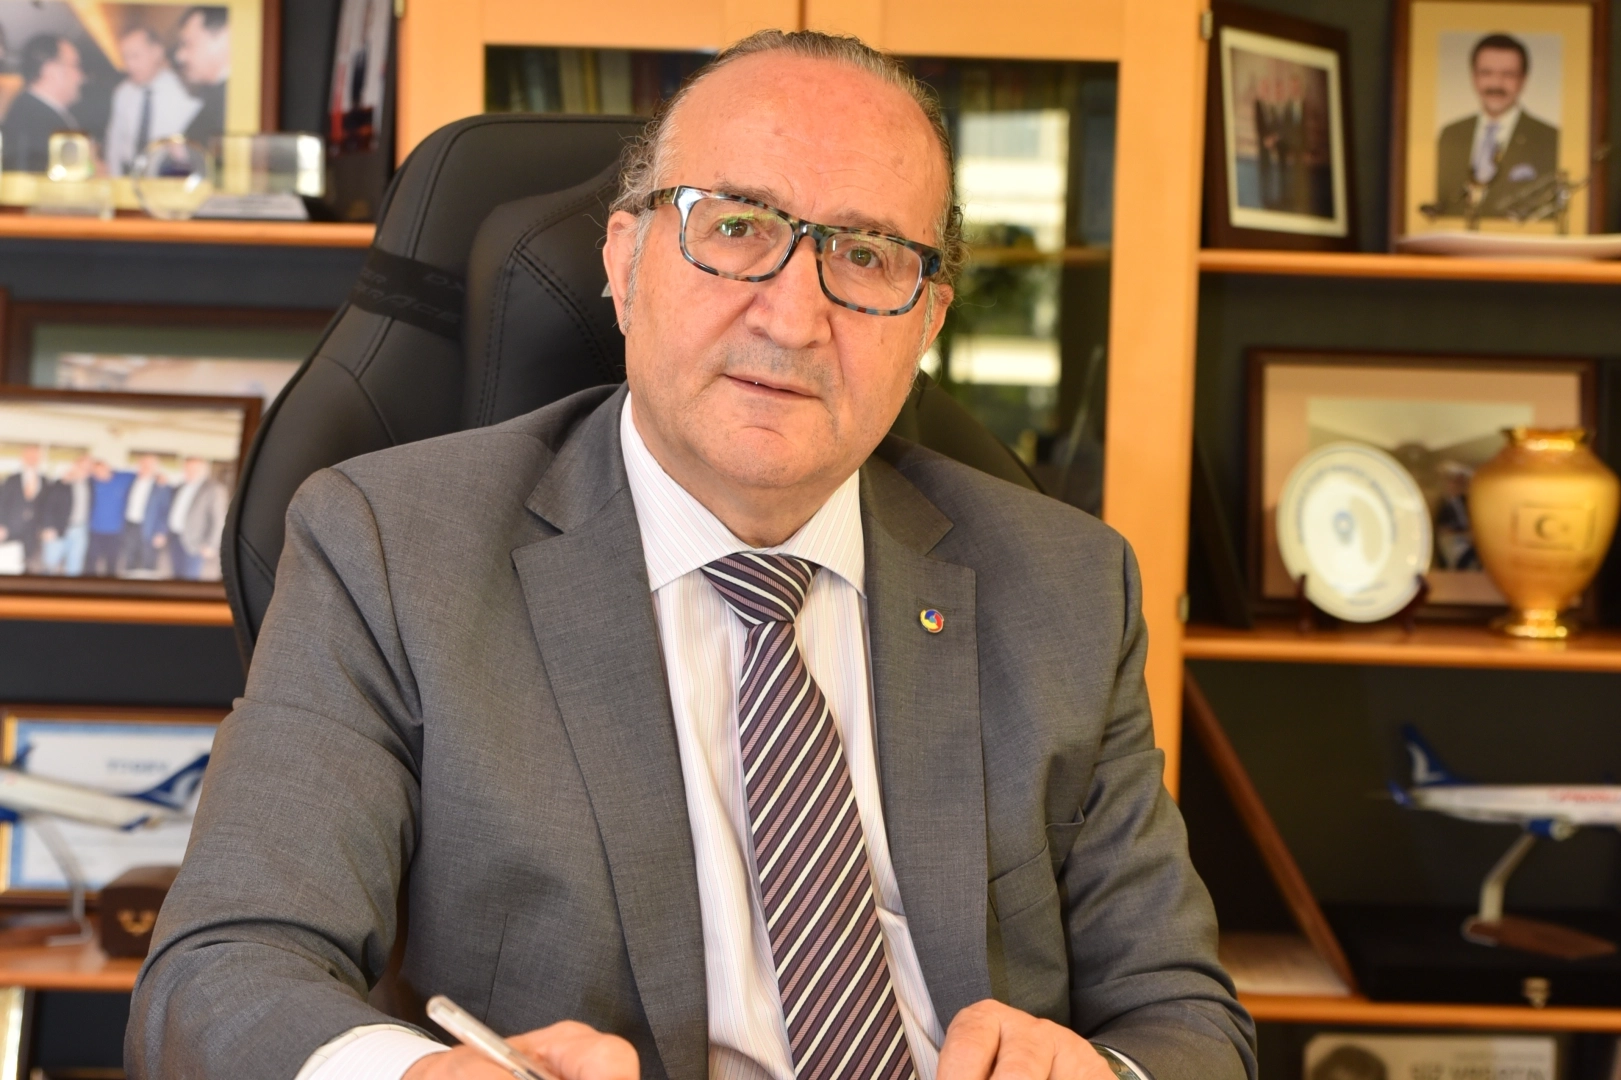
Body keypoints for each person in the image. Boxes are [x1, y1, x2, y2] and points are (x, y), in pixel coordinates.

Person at [127, 30, 1255, 1080]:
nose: (792, 317)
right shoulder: (389, 550)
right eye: (736, 228)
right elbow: (220, 971)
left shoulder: (1066, 586)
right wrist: (421, 1076)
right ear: (624, 262)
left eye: (866, 255)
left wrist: (1106, 1075)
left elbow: (1184, 1016)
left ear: (926, 322)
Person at [1434, 33, 1558, 218]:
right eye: (1486, 73)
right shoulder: (1451, 134)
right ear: (1474, 77)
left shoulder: (1549, 138)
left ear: (1523, 80)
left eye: (1508, 74)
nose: (1496, 84)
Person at [104, 25, 203, 176]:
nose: (129, 65)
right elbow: (114, 141)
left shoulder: (184, 93)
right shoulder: (123, 92)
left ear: (157, 52)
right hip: (127, 174)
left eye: (135, 56)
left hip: (165, 177)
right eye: (125, 57)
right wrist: (115, 179)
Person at [0, 35, 85, 173]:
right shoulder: (33, 120)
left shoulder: (34, 113)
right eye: (75, 65)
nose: (81, 76)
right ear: (50, 70)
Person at [154, 457, 227, 580]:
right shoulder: (180, 486)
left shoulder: (214, 489)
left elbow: (218, 519)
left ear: (204, 470)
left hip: (195, 542)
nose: (190, 472)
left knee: (190, 578)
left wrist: (211, 544)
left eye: (194, 469)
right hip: (174, 538)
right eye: (187, 468)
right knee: (175, 574)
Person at [174, 7, 229, 145]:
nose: (180, 56)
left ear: (223, 38)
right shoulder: (216, 94)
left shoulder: (234, 99)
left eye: (188, 44)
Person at [39, 455, 93, 577]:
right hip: (58, 529)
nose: (85, 471)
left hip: (80, 530)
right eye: (83, 467)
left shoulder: (90, 485)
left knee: (75, 566)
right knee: (50, 564)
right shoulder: (60, 483)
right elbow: (47, 506)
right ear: (75, 466)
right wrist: (47, 527)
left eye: (89, 468)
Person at [0, 446, 49, 573]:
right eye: (29, 456)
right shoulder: (12, 479)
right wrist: (1, 525)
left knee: (28, 559)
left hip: (33, 529)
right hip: (12, 527)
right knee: (10, 559)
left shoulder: (44, 480)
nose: (32, 459)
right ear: (23, 458)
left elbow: (46, 507)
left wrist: (45, 527)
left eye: (35, 456)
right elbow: (2, 502)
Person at [119, 454, 170, 575]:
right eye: (143, 464)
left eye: (150, 464)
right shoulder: (130, 480)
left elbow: (165, 511)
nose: (146, 467)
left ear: (156, 467)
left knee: (149, 561)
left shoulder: (162, 486)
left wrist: (161, 532)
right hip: (130, 525)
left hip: (150, 528)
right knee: (130, 557)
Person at [86, 460, 131, 577]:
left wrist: (159, 477)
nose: (99, 474)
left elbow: (143, 475)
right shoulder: (91, 482)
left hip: (116, 531)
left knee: (112, 561)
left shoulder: (123, 478)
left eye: (102, 470)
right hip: (94, 530)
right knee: (91, 560)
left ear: (109, 468)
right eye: (96, 472)